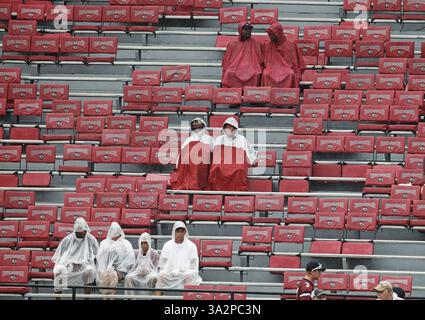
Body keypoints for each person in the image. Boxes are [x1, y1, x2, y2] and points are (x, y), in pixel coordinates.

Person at [208, 117, 258, 191]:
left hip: (237, 165)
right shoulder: (219, 139)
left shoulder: (242, 139)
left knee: (239, 169)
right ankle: (219, 193)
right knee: (216, 168)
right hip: (221, 164)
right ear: (224, 127)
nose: (230, 129)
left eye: (232, 127)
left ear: (236, 128)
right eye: (228, 127)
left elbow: (248, 154)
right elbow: (214, 154)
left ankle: (237, 194)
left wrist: (252, 160)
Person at [52, 218, 99, 295]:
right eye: (79, 233)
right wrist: (68, 262)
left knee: (89, 270)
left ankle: (86, 297)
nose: (82, 234)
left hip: (86, 264)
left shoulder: (91, 239)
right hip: (69, 264)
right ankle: (57, 296)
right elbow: (60, 255)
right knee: (58, 269)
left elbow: (97, 254)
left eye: (84, 232)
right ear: (75, 231)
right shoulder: (67, 239)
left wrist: (91, 265)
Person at [156, 221, 201, 293]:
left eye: (182, 231)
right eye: (178, 231)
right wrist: (168, 271)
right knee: (161, 275)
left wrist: (185, 271)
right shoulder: (167, 245)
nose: (180, 234)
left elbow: (194, 265)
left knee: (189, 276)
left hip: (185, 273)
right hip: (170, 273)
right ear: (174, 232)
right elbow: (162, 263)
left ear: (185, 232)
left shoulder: (191, 246)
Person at [170, 118, 213, 190]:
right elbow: (181, 156)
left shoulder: (210, 139)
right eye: (195, 129)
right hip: (188, 167)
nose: (197, 131)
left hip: (204, 167)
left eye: (199, 128)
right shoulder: (188, 140)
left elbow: (212, 155)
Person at [95, 222, 135, 295]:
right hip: (105, 270)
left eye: (118, 236)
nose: (116, 238)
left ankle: (112, 297)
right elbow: (100, 259)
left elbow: (129, 260)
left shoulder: (126, 244)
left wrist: (119, 268)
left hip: (121, 271)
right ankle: (106, 297)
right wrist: (107, 269)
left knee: (112, 275)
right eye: (114, 236)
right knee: (107, 274)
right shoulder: (104, 243)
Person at [221, 22, 263, 88]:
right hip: (235, 68)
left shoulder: (256, 44)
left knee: (256, 74)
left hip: (251, 68)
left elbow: (260, 60)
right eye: (245, 30)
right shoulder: (232, 44)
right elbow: (226, 61)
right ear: (240, 30)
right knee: (229, 73)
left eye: (249, 29)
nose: (248, 31)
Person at [264, 22, 305, 86]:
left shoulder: (290, 45)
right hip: (272, 69)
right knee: (265, 74)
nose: (269, 36)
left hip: (287, 69)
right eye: (269, 34)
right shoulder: (268, 45)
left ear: (277, 34)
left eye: (271, 34)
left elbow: (294, 64)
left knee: (291, 74)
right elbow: (265, 61)